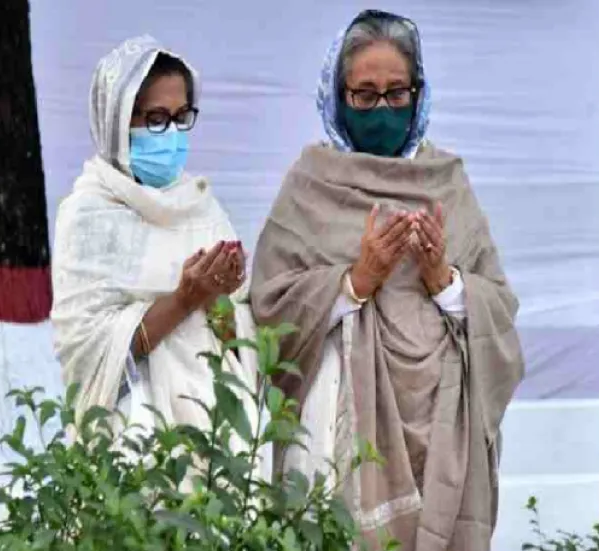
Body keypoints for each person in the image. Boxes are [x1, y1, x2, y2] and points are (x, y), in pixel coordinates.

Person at [249, 11, 524, 550]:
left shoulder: (447, 182)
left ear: (419, 95)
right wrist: (354, 281)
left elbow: (500, 311)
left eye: (397, 94)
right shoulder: (309, 186)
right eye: (365, 95)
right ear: (338, 96)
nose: (381, 110)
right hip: (341, 429)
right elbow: (268, 311)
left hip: (445, 424)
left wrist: (444, 280)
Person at [51, 36, 267, 480]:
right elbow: (91, 352)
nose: (170, 133)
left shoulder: (201, 206)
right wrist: (184, 300)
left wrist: (218, 298)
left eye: (181, 117)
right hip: (132, 448)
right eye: (154, 119)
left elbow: (235, 339)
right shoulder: (89, 215)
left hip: (217, 435)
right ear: (115, 119)